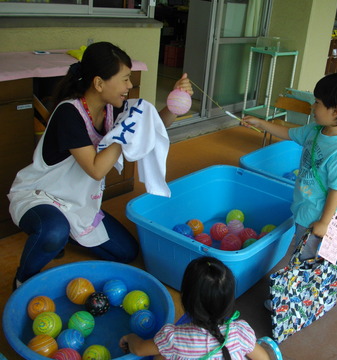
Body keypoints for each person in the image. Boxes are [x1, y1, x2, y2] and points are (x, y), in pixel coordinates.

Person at [8, 41, 193, 290]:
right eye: (125, 79)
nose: (129, 86)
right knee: (53, 231)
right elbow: (96, 168)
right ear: (98, 83)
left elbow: (152, 127)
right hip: (41, 196)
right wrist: (125, 130)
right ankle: (23, 278)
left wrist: (175, 104)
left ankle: (66, 236)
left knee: (126, 253)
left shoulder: (110, 109)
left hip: (80, 204)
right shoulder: (68, 114)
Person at [242, 72, 337, 260]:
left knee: (308, 263)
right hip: (303, 209)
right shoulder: (314, 131)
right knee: (300, 254)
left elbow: (335, 191)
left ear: (335, 111)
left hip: (317, 219)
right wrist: (261, 123)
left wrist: (324, 222)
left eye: (318, 103)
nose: (312, 107)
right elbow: (287, 132)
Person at [119, 256, 271, 359]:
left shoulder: (173, 338)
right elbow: (264, 358)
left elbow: (139, 349)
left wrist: (129, 338)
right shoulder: (240, 332)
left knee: (160, 356)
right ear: (229, 301)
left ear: (185, 298)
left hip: (172, 345)